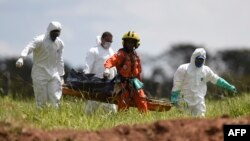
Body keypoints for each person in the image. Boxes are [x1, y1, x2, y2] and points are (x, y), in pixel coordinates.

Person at [170, 48, 237, 117]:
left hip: (199, 101)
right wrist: (175, 95)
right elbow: (177, 82)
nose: (200, 61)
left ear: (204, 60)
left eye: (201, 59)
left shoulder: (206, 70)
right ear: (194, 58)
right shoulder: (183, 69)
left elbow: (216, 79)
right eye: (198, 59)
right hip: (185, 100)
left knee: (201, 117)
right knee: (185, 119)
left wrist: (228, 86)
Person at [16, 21, 65, 109]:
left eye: (57, 34)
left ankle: (55, 117)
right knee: (41, 99)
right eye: (54, 34)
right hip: (40, 73)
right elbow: (29, 47)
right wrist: (21, 57)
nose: (55, 36)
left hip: (54, 73)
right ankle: (41, 117)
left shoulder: (60, 43)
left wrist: (61, 76)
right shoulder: (39, 40)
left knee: (56, 98)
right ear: (49, 31)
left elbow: (60, 59)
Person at [103, 31, 148, 113]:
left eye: (132, 42)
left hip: (135, 83)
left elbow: (138, 73)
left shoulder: (136, 56)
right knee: (123, 102)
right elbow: (112, 60)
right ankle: (122, 120)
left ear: (135, 44)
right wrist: (107, 68)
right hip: (123, 83)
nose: (129, 44)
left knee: (142, 99)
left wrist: (140, 84)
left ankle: (145, 119)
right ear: (125, 43)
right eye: (128, 42)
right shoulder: (121, 54)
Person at [83, 31, 117, 115]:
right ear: (102, 39)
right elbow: (88, 67)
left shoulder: (112, 52)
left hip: (109, 84)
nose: (108, 43)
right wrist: (85, 81)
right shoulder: (93, 50)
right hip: (96, 83)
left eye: (110, 42)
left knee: (111, 110)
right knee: (91, 109)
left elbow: (114, 68)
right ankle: (86, 123)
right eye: (107, 41)